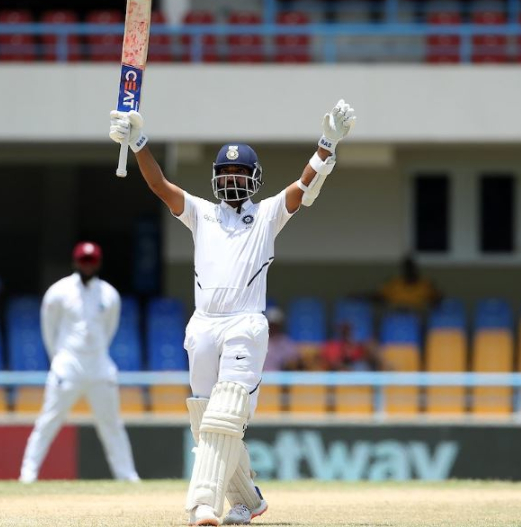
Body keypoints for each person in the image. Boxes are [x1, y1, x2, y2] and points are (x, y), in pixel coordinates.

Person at [109, 98, 356, 526]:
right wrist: (138, 142)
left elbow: (304, 186)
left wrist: (326, 144)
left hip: (245, 323)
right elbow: (160, 186)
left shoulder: (266, 216)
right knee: (207, 422)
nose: (232, 178)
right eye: (225, 172)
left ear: (255, 178)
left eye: (240, 172)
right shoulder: (202, 214)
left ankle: (202, 505)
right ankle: (249, 500)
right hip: (203, 325)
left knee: (225, 412)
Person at [19, 241, 139, 483]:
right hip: (68, 366)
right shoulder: (58, 292)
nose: (87, 265)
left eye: (91, 261)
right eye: (84, 261)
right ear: (75, 262)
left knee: (112, 424)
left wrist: (94, 354)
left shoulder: (109, 294)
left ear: (98, 263)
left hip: (99, 367)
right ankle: (27, 475)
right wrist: (59, 360)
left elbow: (109, 330)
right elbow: (48, 330)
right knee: (48, 421)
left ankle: (127, 477)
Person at [376, 254, 443, 313]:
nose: (409, 271)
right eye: (407, 269)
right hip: (396, 313)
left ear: (415, 270)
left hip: (418, 314)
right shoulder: (394, 283)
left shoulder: (425, 284)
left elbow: (437, 297)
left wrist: (432, 302)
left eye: (411, 269)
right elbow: (379, 296)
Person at [262, 307, 302, 372]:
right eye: (271, 325)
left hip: (281, 378)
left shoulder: (286, 342)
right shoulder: (259, 340)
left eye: (275, 325)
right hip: (261, 378)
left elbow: (295, 361)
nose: (273, 327)